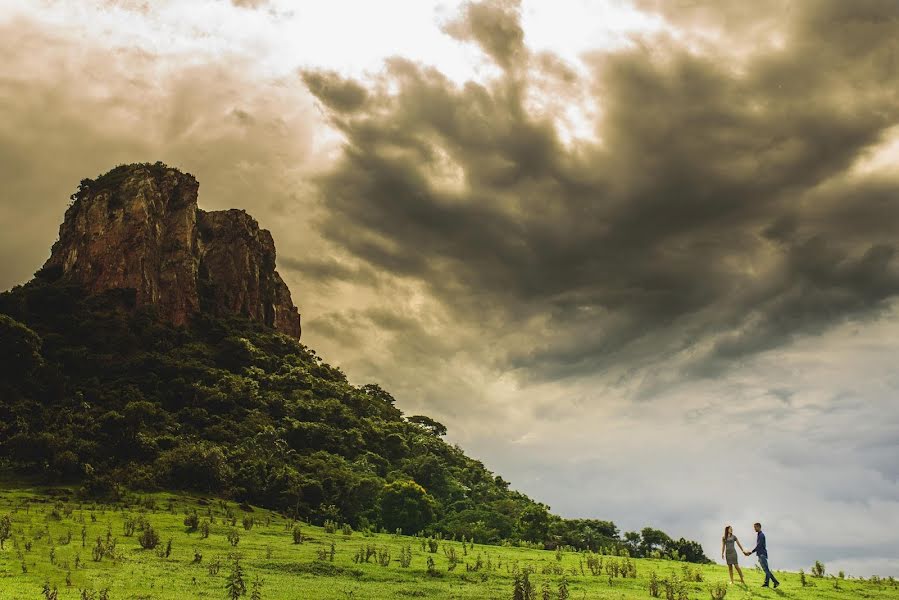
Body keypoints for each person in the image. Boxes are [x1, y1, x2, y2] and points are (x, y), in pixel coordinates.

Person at [744, 522, 779, 588]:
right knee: (766, 570)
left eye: (755, 527)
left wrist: (751, 552)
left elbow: (759, 546)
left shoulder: (761, 535)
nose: (754, 529)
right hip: (761, 554)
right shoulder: (759, 534)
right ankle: (771, 583)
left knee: (766, 570)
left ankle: (770, 583)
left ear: (759, 527)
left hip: (762, 554)